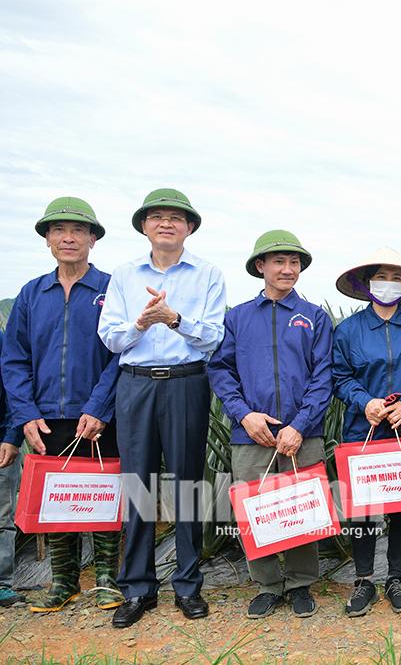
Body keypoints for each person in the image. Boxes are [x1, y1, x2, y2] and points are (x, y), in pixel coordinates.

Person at [98, 188, 226, 627]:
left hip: (186, 383)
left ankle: (188, 585)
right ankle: (137, 587)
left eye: (176, 217)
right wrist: (140, 322)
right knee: (138, 484)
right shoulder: (124, 275)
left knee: (187, 482)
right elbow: (110, 337)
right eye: (156, 216)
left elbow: (213, 337)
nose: (166, 223)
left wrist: (174, 319)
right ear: (144, 226)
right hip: (135, 385)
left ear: (189, 227)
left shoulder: (207, 274)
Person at [0, 197, 122, 612]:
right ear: (47, 240)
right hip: (46, 419)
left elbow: (121, 354)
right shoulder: (32, 294)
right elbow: (14, 359)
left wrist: (100, 407)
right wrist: (26, 415)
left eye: (78, 231)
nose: (68, 238)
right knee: (57, 500)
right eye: (58, 230)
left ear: (93, 239)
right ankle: (64, 581)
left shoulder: (111, 289)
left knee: (102, 494)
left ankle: (106, 579)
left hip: (101, 416)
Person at [208, 230, 332, 619]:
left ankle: (300, 583)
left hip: (303, 433)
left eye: (294, 262)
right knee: (254, 508)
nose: (288, 269)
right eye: (279, 261)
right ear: (260, 266)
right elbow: (221, 370)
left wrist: (300, 425)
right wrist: (244, 414)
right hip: (251, 433)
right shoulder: (238, 317)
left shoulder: (314, 317)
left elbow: (323, 376)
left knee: (302, 506)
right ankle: (266, 585)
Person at [332, 247, 401, 617]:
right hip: (362, 430)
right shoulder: (348, 330)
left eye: (397, 278)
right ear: (367, 284)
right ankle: (364, 579)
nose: (389, 283)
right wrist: (365, 402)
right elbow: (339, 377)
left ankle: (396, 578)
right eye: (382, 276)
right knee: (363, 509)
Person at [0, 331, 26, 609]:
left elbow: (14, 388)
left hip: (1, 443)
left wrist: (12, 436)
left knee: (2, 517)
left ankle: (1, 584)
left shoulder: (1, 339)